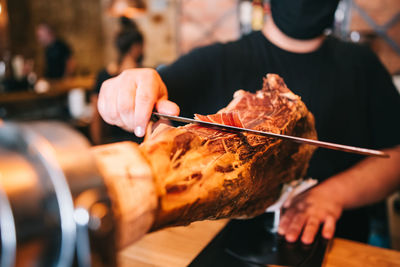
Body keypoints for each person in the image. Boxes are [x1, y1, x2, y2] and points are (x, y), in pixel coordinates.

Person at [97, 0, 400, 244]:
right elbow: (151, 100)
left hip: (338, 243)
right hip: (225, 244)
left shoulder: (361, 64)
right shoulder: (216, 60)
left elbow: (395, 157)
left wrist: (333, 195)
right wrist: (130, 88)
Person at [90, 17, 144, 145]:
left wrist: (97, 144)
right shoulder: (143, 75)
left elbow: (95, 116)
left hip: (112, 142)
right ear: (136, 47)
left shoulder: (103, 75)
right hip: (139, 141)